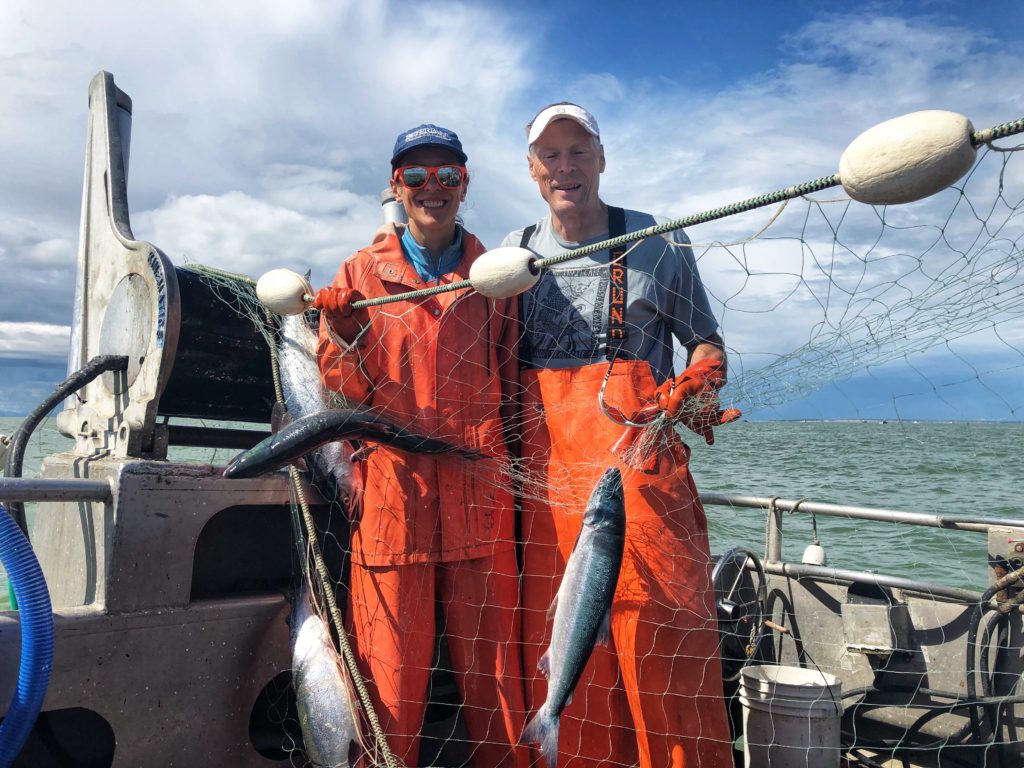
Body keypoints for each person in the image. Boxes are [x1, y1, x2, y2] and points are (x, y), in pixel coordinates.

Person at [502, 102, 738, 768]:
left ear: (602, 159)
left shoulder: (658, 244)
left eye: (578, 152)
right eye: (550, 155)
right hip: (548, 496)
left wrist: (703, 379)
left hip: (644, 490)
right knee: (571, 674)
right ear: (531, 169)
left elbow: (705, 343)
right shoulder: (514, 259)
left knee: (664, 658)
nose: (565, 168)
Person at [316, 124, 527, 768]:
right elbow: (345, 394)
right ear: (394, 186)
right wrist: (347, 335)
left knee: (499, 687)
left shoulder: (496, 276)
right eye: (416, 176)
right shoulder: (359, 272)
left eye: (447, 176)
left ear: (465, 185)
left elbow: (515, 383)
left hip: (479, 495)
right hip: (391, 501)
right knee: (386, 685)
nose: (431, 188)